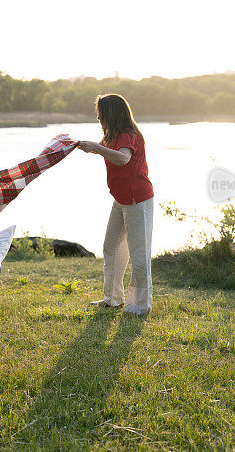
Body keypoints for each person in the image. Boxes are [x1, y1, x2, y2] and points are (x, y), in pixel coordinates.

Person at [77, 94, 154, 315]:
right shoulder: (113, 136)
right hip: (120, 200)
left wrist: (96, 148)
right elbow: (103, 149)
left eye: (101, 115)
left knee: (139, 253)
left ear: (112, 114)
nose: (99, 119)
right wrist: (79, 145)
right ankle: (112, 298)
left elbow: (122, 158)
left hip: (138, 201)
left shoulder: (129, 137)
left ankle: (140, 305)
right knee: (111, 247)